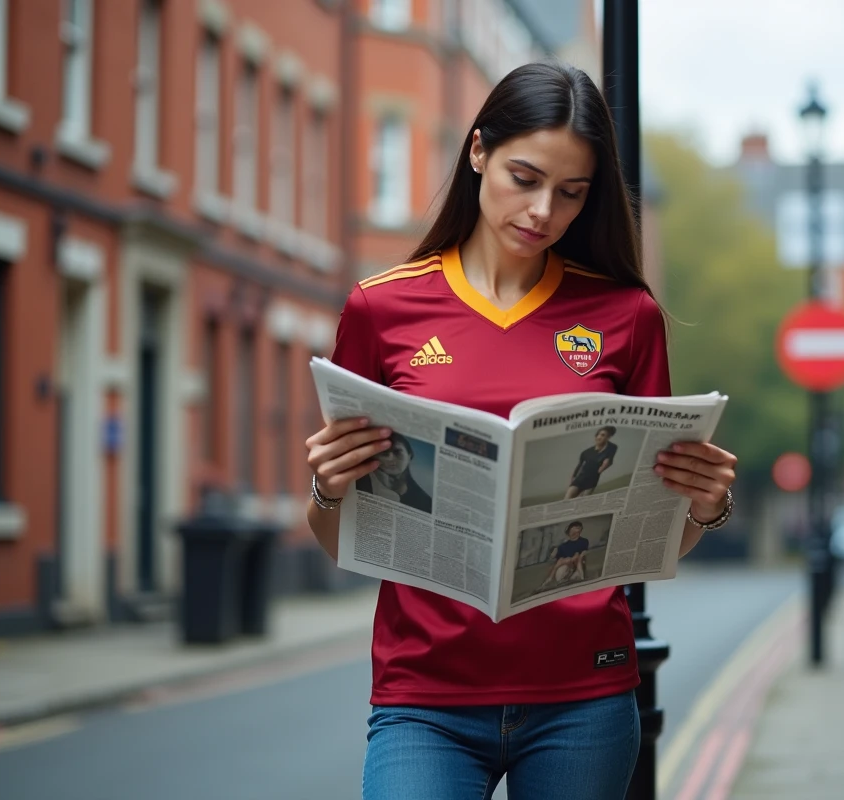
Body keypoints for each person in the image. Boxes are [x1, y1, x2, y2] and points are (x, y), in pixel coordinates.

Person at [305, 61, 738, 800]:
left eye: (571, 194)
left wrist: (703, 507)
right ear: (478, 152)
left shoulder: (626, 317)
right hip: (425, 696)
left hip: (584, 698)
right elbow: (336, 534)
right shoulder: (381, 312)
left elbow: (657, 542)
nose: (543, 211)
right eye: (524, 177)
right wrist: (327, 487)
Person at [355, 432, 433, 514]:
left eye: (397, 452)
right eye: (384, 453)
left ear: (410, 455)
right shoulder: (361, 482)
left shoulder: (425, 502)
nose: (390, 458)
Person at [564, 426, 618, 499]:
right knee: (567, 500)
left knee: (581, 502)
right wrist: (572, 480)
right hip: (579, 480)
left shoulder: (612, 447)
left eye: (603, 435)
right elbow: (579, 467)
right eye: (598, 434)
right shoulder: (586, 452)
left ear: (608, 437)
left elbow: (609, 462)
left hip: (591, 482)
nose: (599, 437)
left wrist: (604, 466)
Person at [536, 520, 590, 591]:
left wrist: (575, 558)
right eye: (573, 530)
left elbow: (583, 553)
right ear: (569, 531)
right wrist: (555, 553)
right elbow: (557, 559)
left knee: (577, 555)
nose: (575, 533)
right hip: (566, 565)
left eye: (578, 530)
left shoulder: (583, 541)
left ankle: (580, 576)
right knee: (559, 564)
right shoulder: (562, 546)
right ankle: (548, 582)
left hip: (577, 564)